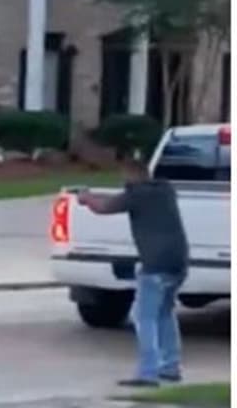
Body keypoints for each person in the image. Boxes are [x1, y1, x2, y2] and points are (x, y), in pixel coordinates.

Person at [76, 156, 189, 388]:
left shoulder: (137, 195)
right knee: (165, 314)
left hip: (155, 264)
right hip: (178, 262)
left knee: (144, 317)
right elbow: (119, 199)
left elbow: (104, 207)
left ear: (130, 176)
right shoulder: (165, 190)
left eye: (124, 176)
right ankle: (170, 366)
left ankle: (148, 373)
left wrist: (86, 198)